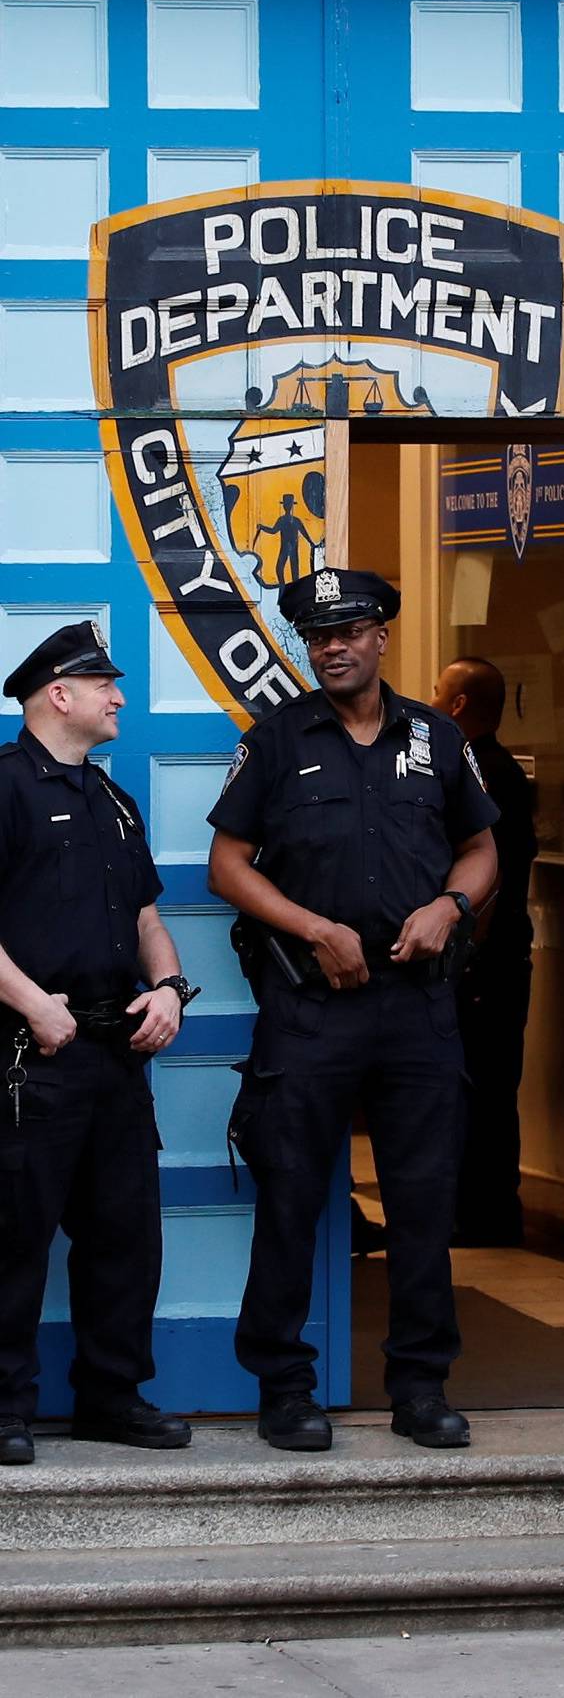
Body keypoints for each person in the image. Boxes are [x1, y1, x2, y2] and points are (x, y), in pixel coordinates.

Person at [207, 569, 498, 1454]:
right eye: (318, 634)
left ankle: (420, 1386)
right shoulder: (276, 740)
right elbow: (228, 864)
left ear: (380, 637)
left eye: (350, 630)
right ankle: (285, 1387)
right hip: (312, 1008)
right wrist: (313, 928)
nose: (333, 646)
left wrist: (450, 907)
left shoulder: (438, 738)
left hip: (416, 1008)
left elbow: (481, 848)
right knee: (291, 1194)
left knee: (421, 1200)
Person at [0, 622, 194, 1466]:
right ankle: (4, 1408)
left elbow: (149, 918)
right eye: (105, 684)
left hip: (119, 1055)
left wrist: (170, 990)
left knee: (125, 1237)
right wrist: (36, 1005)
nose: (120, 697)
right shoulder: (4, 788)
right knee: (12, 1239)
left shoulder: (114, 799)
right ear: (58, 694)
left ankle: (111, 1398)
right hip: (30, 1058)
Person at [430, 657, 538, 1247]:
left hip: (486, 963)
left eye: (440, 690)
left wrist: (465, 953)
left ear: (460, 704)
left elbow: (492, 877)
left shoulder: (488, 775)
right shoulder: (486, 769)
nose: (432, 697)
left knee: (485, 1089)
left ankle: (486, 1213)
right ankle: (475, 1208)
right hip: (486, 959)